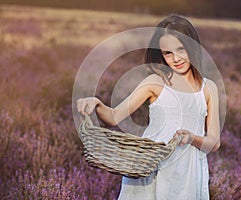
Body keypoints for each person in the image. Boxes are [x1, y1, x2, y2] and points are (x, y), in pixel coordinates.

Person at [77, 14, 220, 200]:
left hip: (188, 171)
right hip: (150, 168)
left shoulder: (208, 88)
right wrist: (96, 103)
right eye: (168, 53)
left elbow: (214, 142)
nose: (175, 58)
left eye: (181, 49)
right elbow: (113, 117)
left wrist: (192, 138)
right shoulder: (155, 81)